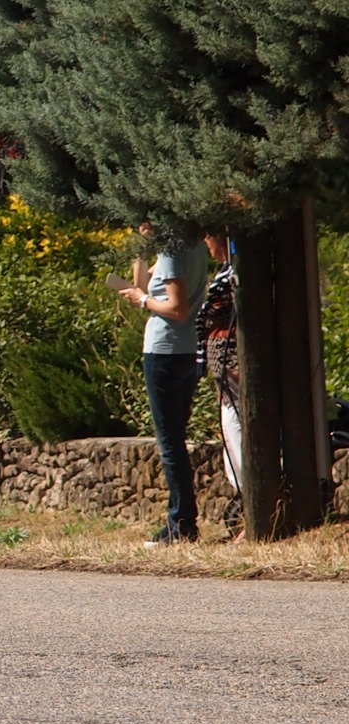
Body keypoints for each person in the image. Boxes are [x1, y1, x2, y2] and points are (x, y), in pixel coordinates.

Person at [121, 224, 209, 544]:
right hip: (187, 350)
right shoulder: (194, 244)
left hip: (165, 351)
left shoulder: (172, 250)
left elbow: (177, 308)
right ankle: (181, 519)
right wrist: (142, 251)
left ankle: (181, 524)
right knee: (175, 438)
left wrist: (144, 301)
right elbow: (142, 284)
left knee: (170, 442)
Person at [197, 232, 240, 505]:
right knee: (229, 426)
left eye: (208, 237)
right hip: (223, 372)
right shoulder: (224, 270)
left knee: (235, 425)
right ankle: (240, 491)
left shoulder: (234, 271)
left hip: (233, 365)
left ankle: (245, 491)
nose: (206, 242)